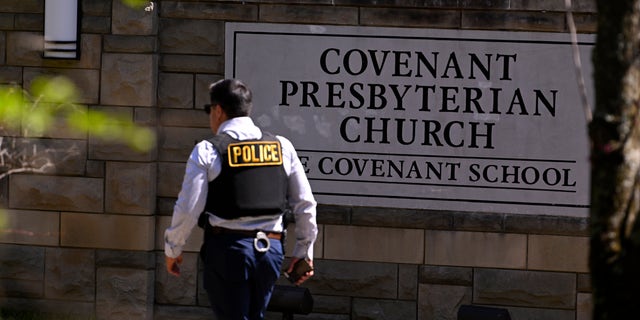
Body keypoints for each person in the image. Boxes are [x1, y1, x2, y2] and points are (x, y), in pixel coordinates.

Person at [164, 79, 318, 320]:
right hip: (270, 251)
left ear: (218, 110)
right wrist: (304, 249)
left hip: (228, 251)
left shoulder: (208, 150)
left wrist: (173, 248)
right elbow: (305, 204)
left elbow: (188, 208)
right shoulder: (282, 147)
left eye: (209, 111)